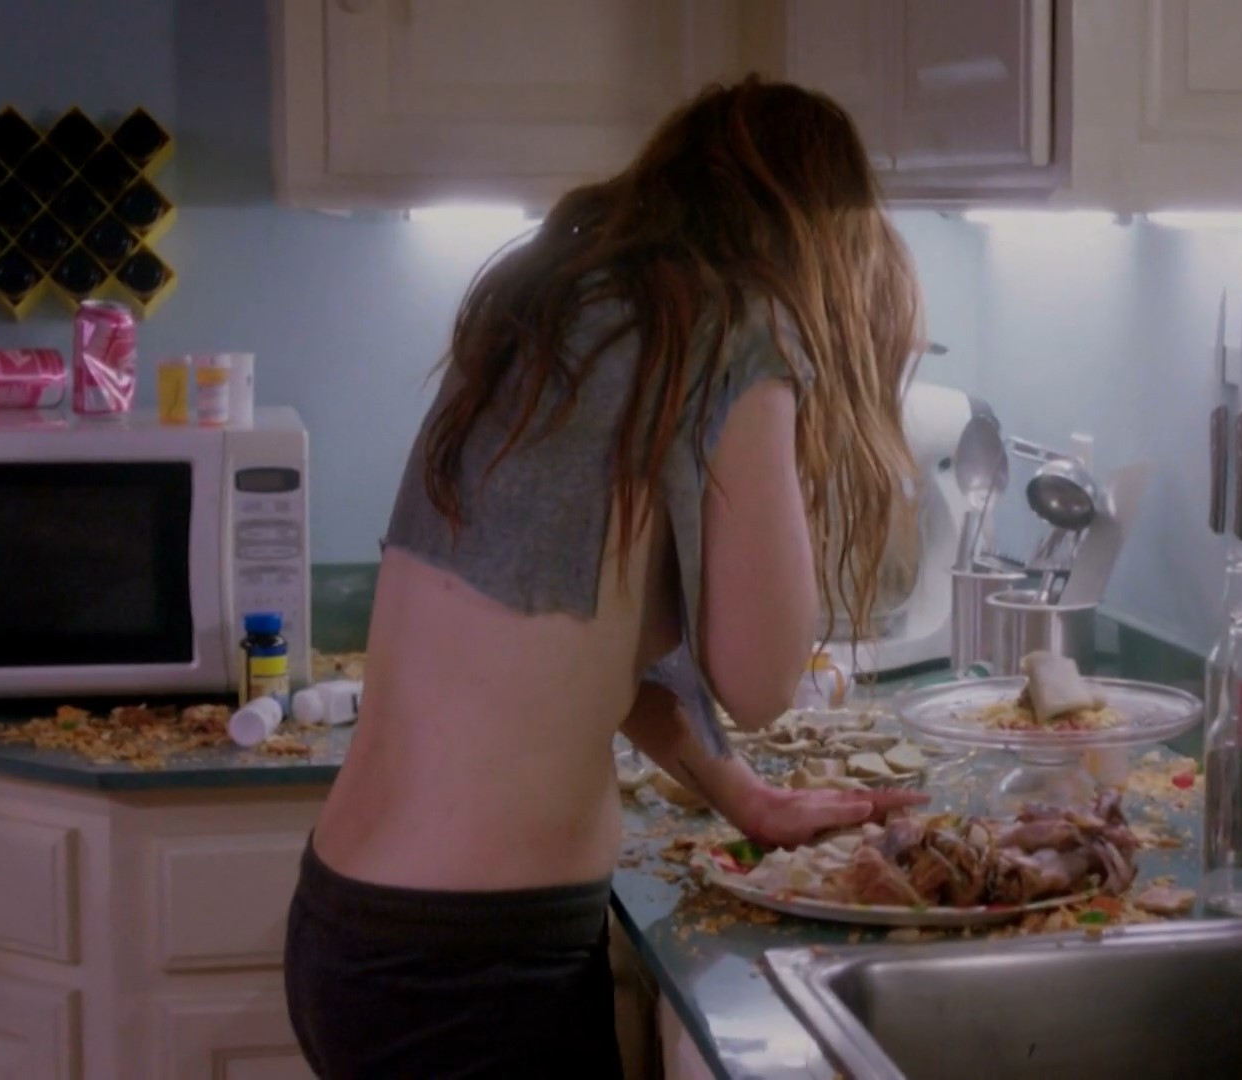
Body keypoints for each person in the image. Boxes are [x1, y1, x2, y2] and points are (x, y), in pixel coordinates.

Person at [284, 76, 929, 1078]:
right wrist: (794, 441)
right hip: (473, 970)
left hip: (357, 932)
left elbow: (582, 647)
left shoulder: (556, 306)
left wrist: (745, 798)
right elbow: (762, 682)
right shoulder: (740, 332)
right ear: (815, 241)